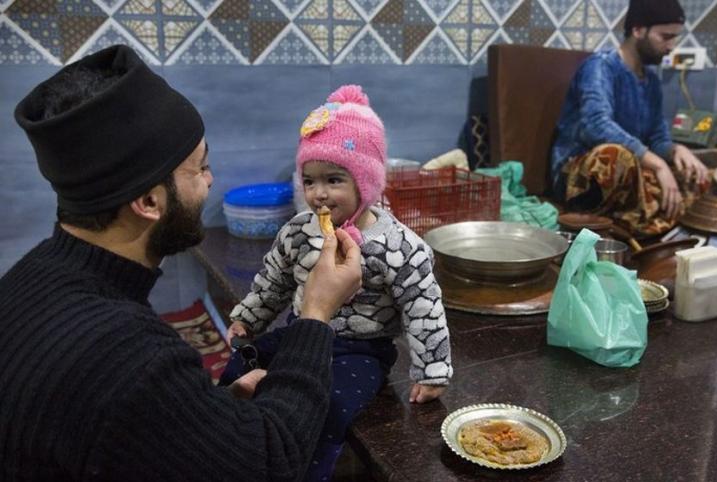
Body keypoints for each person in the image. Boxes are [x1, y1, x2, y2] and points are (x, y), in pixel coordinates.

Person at [0, 44, 363, 481]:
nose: (210, 182)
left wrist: (210, 419)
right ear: (149, 201)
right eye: (200, 168)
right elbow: (271, 463)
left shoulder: (28, 277)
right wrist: (317, 314)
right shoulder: (130, 357)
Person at [225, 85, 454, 480]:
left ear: (366, 183)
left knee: (329, 407)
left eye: (334, 180)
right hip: (301, 334)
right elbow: (273, 280)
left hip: (360, 350)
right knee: (238, 365)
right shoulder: (298, 232)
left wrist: (431, 370)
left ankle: (309, 471)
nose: (319, 194)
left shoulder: (398, 246)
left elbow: (424, 308)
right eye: (310, 181)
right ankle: (237, 450)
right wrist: (250, 318)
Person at [550, 0, 709, 237]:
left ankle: (641, 213)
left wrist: (676, 150)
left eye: (675, 38)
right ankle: (647, 214)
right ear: (637, 30)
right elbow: (595, 126)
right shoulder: (600, 67)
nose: (671, 46)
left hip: (632, 174)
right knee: (615, 156)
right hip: (580, 173)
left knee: (696, 175)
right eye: (665, 37)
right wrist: (657, 164)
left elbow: (657, 138)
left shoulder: (652, 82)